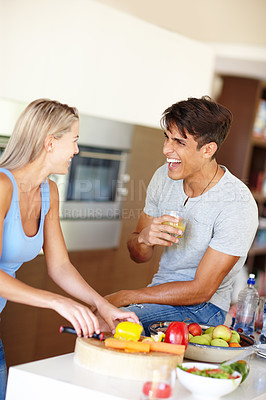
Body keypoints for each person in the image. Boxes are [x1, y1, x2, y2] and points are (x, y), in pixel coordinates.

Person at [0, 99, 138, 398]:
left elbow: (60, 266)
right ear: (50, 142)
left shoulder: (48, 191)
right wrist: (58, 302)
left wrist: (103, 305)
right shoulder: (2, 187)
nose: (76, 150)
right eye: (74, 140)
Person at [105, 96, 258, 336]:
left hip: (204, 309)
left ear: (207, 150)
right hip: (157, 296)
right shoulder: (163, 178)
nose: (166, 149)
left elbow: (202, 290)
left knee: (113, 324)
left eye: (179, 142)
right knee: (100, 317)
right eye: (167, 137)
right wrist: (144, 239)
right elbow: (138, 255)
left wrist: (125, 296)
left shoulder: (237, 203)